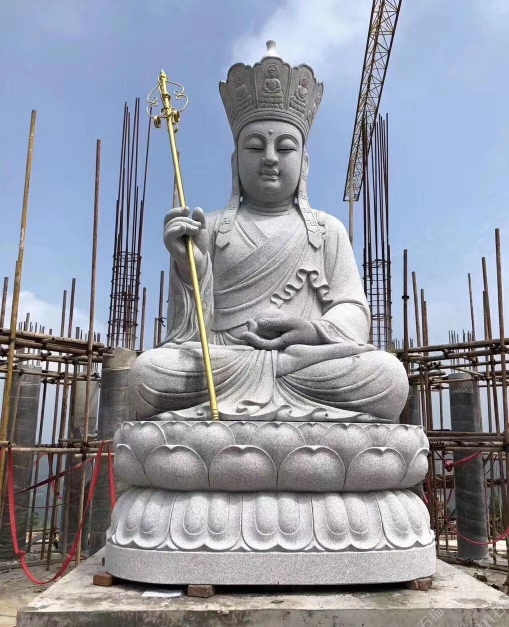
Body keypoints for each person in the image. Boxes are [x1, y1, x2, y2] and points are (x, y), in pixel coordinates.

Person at [130, 43, 409, 422]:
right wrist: (189, 267)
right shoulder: (209, 227)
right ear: (236, 161)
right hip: (227, 362)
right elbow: (189, 334)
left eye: (285, 147)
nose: (271, 158)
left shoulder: (327, 229)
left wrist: (311, 331)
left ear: (304, 163)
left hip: (302, 363)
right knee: (148, 374)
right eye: (255, 147)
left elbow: (354, 310)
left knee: (388, 376)